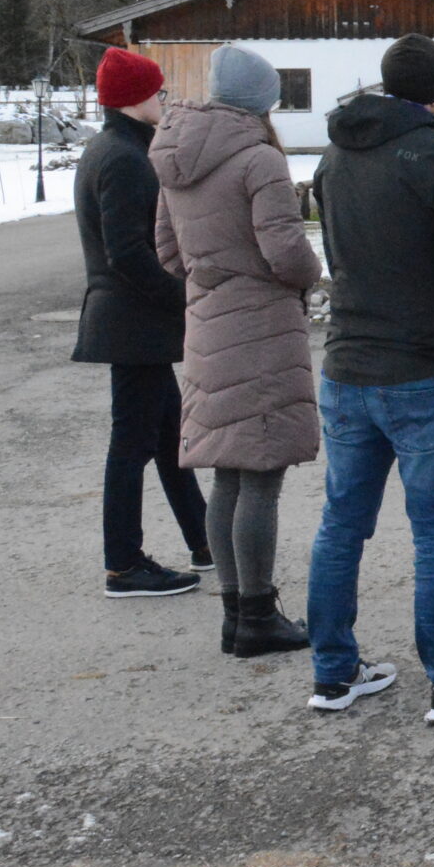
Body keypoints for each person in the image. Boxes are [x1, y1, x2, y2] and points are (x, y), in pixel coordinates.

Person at [307, 34, 434, 723]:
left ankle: (334, 671)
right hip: (422, 366)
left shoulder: (335, 156)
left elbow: (335, 253)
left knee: (341, 524)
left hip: (347, 362)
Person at [151, 45, 324, 658]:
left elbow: (169, 252)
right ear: (263, 100)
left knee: (228, 474)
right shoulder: (258, 159)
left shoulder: (173, 154)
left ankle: (234, 611)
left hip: (207, 325)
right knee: (261, 477)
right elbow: (287, 254)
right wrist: (314, 277)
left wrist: (212, 276)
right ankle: (258, 615)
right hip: (259, 328)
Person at [73, 45, 209, 598]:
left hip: (135, 323)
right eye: (158, 92)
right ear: (134, 100)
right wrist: (186, 296)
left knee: (169, 436)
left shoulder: (113, 148)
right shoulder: (125, 159)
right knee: (132, 442)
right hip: (134, 323)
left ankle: (205, 541)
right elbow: (127, 252)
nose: (165, 99)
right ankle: (123, 564)